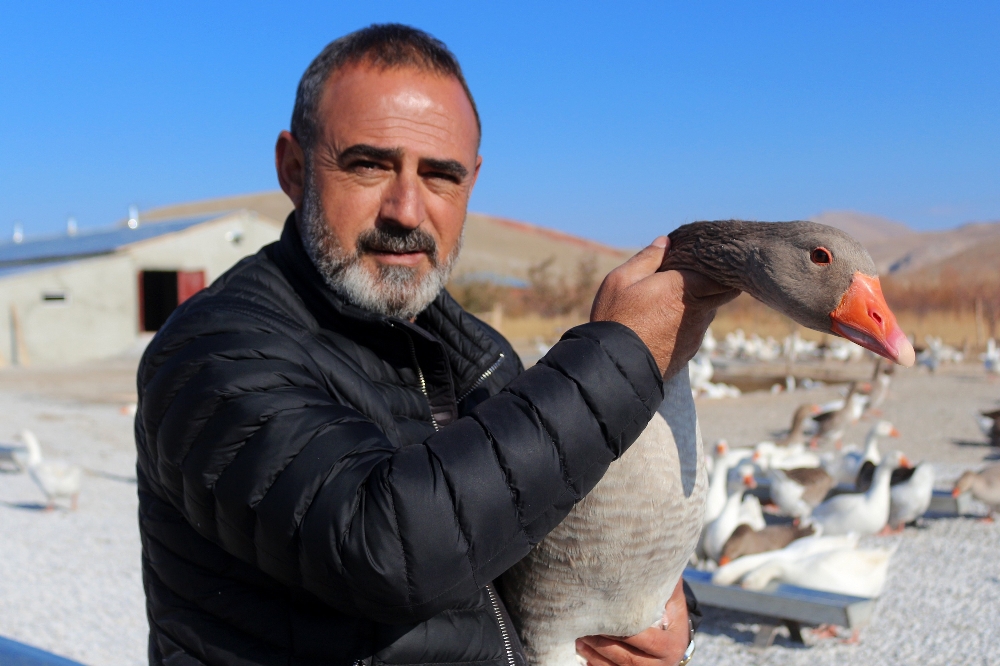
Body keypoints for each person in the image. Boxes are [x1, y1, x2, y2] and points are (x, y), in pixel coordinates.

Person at [135, 24, 736, 666]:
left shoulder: (477, 353)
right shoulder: (213, 353)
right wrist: (614, 356)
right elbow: (383, 549)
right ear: (294, 168)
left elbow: (553, 521)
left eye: (441, 176)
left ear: (472, 183)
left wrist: (664, 616)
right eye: (369, 164)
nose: (407, 210)